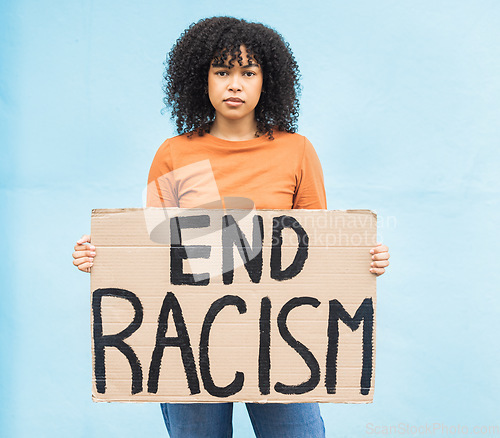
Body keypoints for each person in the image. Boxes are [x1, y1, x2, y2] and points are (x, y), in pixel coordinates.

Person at [72, 16, 390, 438]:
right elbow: (157, 249)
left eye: (248, 73)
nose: (234, 84)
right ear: (200, 79)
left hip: (278, 341)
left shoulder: (296, 152)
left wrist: (360, 260)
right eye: (222, 72)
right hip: (191, 341)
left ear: (266, 81)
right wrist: (105, 255)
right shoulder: (176, 154)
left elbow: (317, 246)